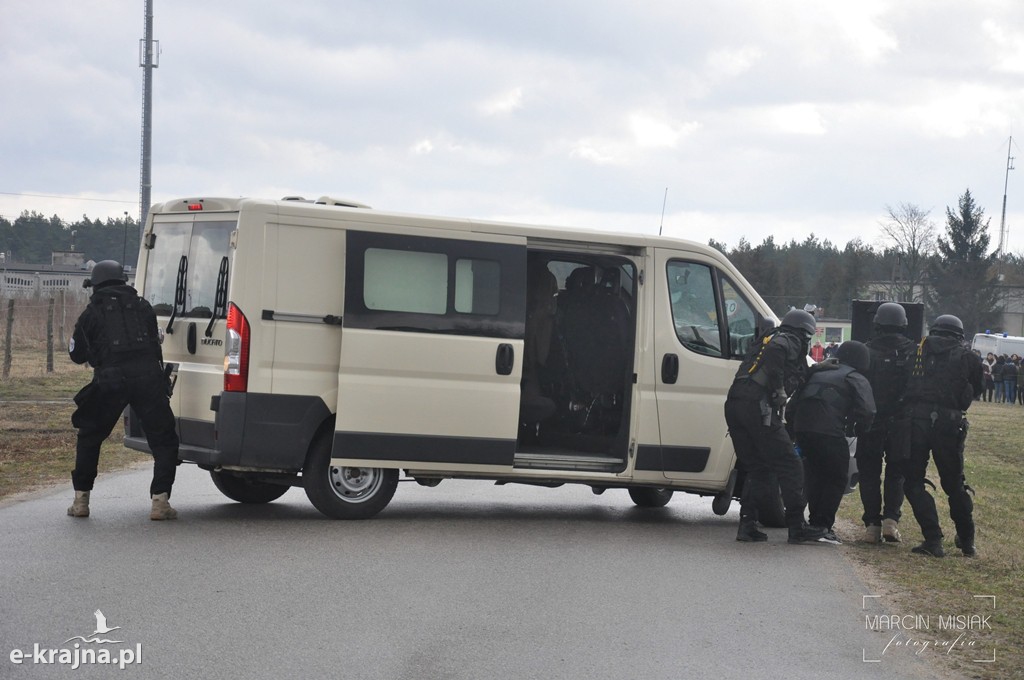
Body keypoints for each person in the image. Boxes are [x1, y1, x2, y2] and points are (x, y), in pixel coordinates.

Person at [66, 260, 180, 521]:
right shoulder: (143, 307)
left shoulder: (91, 313)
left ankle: (81, 501)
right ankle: (160, 502)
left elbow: (76, 354)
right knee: (164, 440)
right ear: (122, 281)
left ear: (96, 285)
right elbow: (155, 343)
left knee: (90, 436)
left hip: (110, 381)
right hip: (148, 381)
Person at [724, 308, 827, 544]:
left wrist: (817, 369)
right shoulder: (787, 339)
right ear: (804, 332)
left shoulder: (766, 340)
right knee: (791, 464)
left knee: (757, 468)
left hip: (735, 406)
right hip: (758, 409)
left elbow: (792, 369)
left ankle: (747, 525)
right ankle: (797, 526)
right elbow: (777, 351)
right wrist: (779, 388)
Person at [902, 314, 984, 557]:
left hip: (916, 421)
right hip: (949, 423)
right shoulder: (968, 357)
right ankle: (967, 541)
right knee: (954, 484)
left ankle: (933, 539)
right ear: (959, 335)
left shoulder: (916, 351)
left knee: (913, 482)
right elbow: (978, 389)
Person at [789, 341, 876, 544]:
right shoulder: (855, 377)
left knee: (814, 476)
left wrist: (795, 431)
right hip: (829, 432)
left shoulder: (818, 373)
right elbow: (868, 410)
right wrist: (860, 429)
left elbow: (792, 406)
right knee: (836, 478)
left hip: (802, 430)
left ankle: (811, 524)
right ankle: (822, 526)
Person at [856, 302, 916, 543]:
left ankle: (872, 525)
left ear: (878, 323)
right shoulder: (913, 352)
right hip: (902, 421)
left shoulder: (865, 351)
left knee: (869, 473)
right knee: (896, 473)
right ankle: (891, 520)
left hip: (871, 420)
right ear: (903, 324)